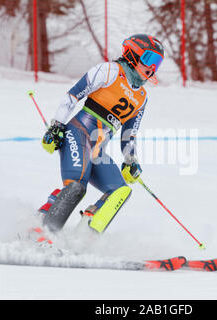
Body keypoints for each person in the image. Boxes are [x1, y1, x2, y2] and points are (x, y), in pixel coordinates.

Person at [30, 34, 165, 244]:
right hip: (77, 133)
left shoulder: (142, 98)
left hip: (96, 150)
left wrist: (131, 161)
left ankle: (82, 240)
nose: (152, 68)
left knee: (120, 191)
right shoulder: (110, 71)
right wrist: (56, 127)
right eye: (150, 59)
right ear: (133, 53)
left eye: (157, 64)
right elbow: (72, 96)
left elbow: (129, 134)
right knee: (77, 186)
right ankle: (41, 231)